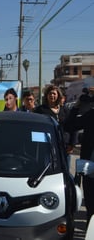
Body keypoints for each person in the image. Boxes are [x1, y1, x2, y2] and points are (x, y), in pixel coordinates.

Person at [65, 90, 94, 227]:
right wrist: (76, 107)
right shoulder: (91, 116)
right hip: (90, 169)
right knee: (91, 207)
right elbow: (69, 125)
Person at [34, 85, 74, 159]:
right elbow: (36, 128)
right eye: (50, 93)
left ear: (58, 95)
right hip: (47, 145)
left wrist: (71, 144)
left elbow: (72, 127)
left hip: (64, 146)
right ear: (46, 96)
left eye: (54, 94)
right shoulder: (40, 110)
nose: (52, 95)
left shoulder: (65, 110)